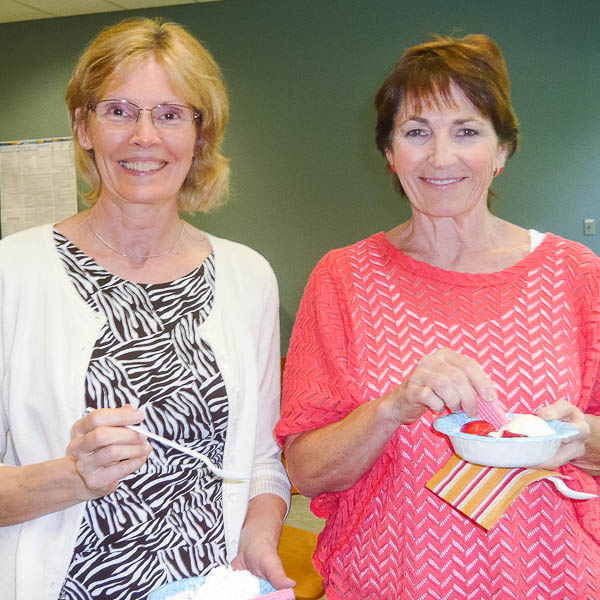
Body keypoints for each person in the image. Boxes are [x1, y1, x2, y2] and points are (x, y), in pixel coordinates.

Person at [276, 34, 600, 599]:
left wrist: (580, 438)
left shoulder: (575, 273)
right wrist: (391, 408)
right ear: (389, 152)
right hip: (389, 581)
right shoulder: (343, 278)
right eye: (417, 132)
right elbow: (306, 471)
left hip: (555, 581)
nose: (440, 157)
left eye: (467, 132)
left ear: (501, 152)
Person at [0, 17, 292, 600]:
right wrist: (71, 476)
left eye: (170, 114)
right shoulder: (13, 273)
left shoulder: (247, 277)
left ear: (200, 134)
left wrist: (259, 537)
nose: (144, 137)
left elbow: (262, 460)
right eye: (119, 111)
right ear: (82, 127)